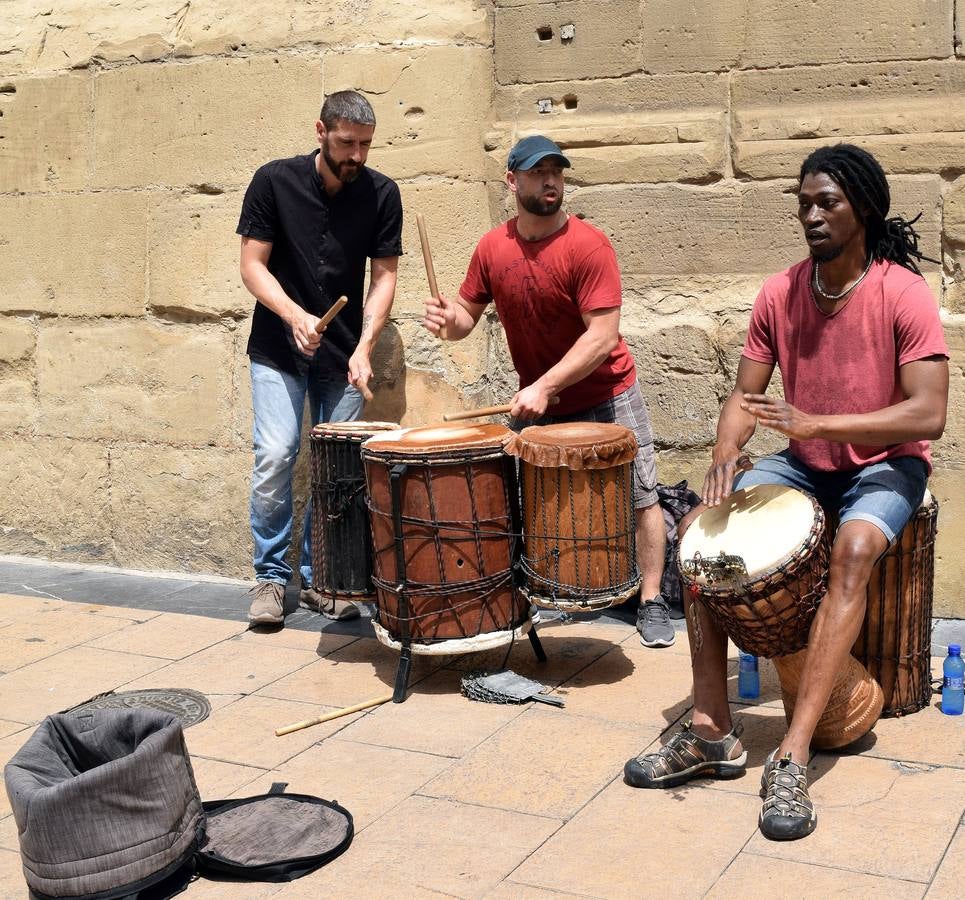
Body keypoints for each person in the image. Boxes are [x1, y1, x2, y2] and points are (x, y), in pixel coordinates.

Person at [623, 144, 949, 840]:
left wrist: (818, 421)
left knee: (855, 547)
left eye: (825, 201)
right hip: (804, 462)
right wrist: (724, 451)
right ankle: (712, 728)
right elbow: (746, 394)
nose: (810, 215)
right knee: (695, 537)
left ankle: (793, 754)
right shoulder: (780, 291)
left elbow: (928, 413)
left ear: (861, 206)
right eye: (801, 202)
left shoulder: (902, 292)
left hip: (884, 463)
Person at [422, 135, 672, 647]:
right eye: (538, 173)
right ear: (512, 181)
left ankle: (651, 599)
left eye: (557, 171)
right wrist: (448, 322)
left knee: (642, 495)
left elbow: (601, 336)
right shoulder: (493, 248)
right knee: (522, 499)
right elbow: (467, 317)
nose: (551, 181)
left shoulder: (588, 245)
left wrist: (544, 385)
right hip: (538, 397)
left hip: (607, 391)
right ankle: (533, 592)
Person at [237, 90, 402, 626]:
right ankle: (270, 576)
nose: (357, 155)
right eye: (347, 143)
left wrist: (364, 345)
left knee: (338, 471)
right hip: (277, 349)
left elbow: (384, 277)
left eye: (366, 146)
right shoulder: (273, 181)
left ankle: (320, 577)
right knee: (276, 456)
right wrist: (295, 316)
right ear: (321, 131)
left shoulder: (381, 194)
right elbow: (252, 267)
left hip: (344, 354)